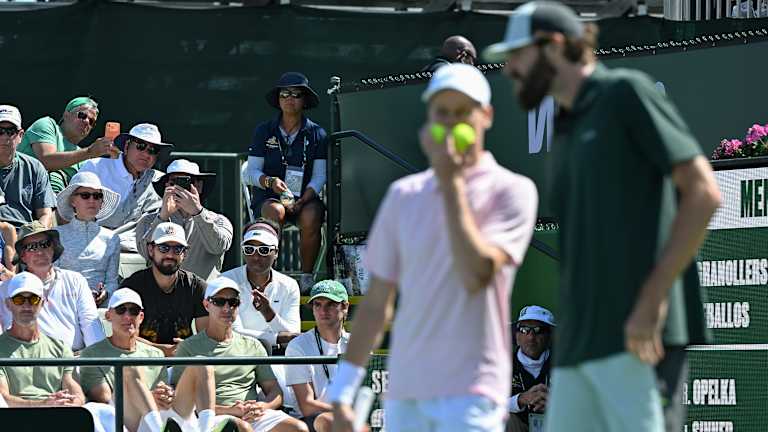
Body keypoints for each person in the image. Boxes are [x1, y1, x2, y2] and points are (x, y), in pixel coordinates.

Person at [483, 2, 722, 431]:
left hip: (637, 332)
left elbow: (703, 194)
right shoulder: (564, 125)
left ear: (553, 47)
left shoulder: (625, 92)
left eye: (516, 56)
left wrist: (651, 303)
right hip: (578, 343)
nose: (511, 70)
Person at [328, 64, 539, 432]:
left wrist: (451, 183)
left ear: (486, 116)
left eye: (463, 112)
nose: (452, 121)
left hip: (473, 393)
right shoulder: (403, 196)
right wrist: (342, 391)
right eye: (443, 112)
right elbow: (378, 303)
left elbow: (478, 274)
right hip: (408, 394)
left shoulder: (513, 191)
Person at [80, 288, 249, 432]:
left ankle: (206, 428)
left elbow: (161, 392)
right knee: (129, 368)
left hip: (158, 414)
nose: (127, 316)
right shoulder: (91, 353)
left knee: (201, 363)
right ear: (108, 316)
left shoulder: (155, 354)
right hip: (123, 419)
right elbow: (103, 398)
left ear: (141, 317)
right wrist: (150, 396)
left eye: (133, 311)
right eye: (121, 310)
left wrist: (166, 395)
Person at [172, 276, 309, 432]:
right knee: (242, 428)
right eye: (219, 301)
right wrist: (230, 411)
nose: (227, 308)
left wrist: (262, 406)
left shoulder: (253, 345)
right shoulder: (189, 347)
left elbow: (275, 391)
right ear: (206, 305)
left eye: (233, 302)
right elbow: (182, 401)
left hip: (252, 415)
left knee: (299, 428)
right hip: (210, 419)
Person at [244, 72, 328, 292]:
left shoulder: (318, 133)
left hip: (306, 198)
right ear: (279, 99)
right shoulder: (264, 131)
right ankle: (272, 277)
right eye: (285, 94)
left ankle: (307, 278)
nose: (290, 98)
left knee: (312, 215)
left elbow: (320, 175)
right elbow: (249, 172)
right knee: (275, 212)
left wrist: (305, 198)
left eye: (297, 94)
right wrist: (270, 182)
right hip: (269, 196)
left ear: (305, 100)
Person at [0, 221, 105, 351]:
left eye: (45, 244)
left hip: (76, 360)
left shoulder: (75, 281)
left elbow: (91, 325)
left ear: (53, 248)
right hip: (27, 361)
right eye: (32, 247)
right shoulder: (5, 289)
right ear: (22, 255)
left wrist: (98, 361)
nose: (40, 252)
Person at [78, 123, 173, 251]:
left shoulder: (161, 181)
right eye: (141, 146)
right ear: (127, 146)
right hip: (91, 246)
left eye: (153, 150)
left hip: (139, 252)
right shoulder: (95, 168)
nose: (146, 154)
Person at [119, 222, 208, 357]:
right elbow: (123, 335)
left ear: (184, 253)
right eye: (164, 248)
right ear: (151, 250)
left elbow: (206, 336)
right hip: (140, 358)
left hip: (184, 358)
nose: (170, 255)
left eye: (177, 249)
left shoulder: (196, 286)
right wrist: (162, 350)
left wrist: (189, 347)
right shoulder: (132, 286)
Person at [136, 159, 233, 280]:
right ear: (166, 186)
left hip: (204, 296)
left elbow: (217, 247)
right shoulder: (147, 220)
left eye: (186, 182)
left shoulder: (219, 221)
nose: (180, 188)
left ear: (199, 186)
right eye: (173, 183)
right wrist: (163, 217)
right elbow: (146, 252)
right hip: (161, 294)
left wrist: (198, 213)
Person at [222, 219, 300, 349]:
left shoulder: (289, 285)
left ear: (275, 253)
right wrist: (277, 338)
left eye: (263, 250)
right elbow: (232, 332)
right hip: (237, 356)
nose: (255, 256)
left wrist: (268, 313)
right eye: (249, 249)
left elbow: (293, 338)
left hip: (278, 358)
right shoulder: (226, 281)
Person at [17, 96, 120, 194]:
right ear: (66, 114)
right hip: (22, 191)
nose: (86, 122)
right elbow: (46, 160)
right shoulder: (47, 124)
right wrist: (90, 152)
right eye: (82, 115)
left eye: (91, 121)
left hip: (57, 205)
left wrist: (115, 159)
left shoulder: (83, 158)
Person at [285, 280, 350, 432]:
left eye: (330, 304)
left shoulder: (359, 343)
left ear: (345, 307)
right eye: (317, 304)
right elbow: (306, 406)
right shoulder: (298, 346)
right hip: (313, 420)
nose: (323, 310)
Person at [55, 171, 121, 307]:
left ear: (101, 202)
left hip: (100, 307)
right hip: (64, 305)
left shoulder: (112, 238)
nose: (92, 201)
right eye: (85, 195)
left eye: (97, 196)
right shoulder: (56, 234)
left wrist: (106, 293)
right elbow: (53, 277)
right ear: (73, 201)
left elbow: (112, 281)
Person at [0, 105, 56, 228]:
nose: (4, 137)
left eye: (10, 131)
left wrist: (33, 241)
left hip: (24, 238)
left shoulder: (34, 167)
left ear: (20, 135)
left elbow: (46, 214)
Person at [507, 306, 555, 432]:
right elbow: (489, 404)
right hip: (517, 426)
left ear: (550, 337)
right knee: (505, 418)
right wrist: (520, 400)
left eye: (538, 330)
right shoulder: (503, 364)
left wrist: (556, 404)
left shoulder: (562, 365)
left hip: (555, 424)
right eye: (524, 330)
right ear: (516, 336)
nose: (531, 337)